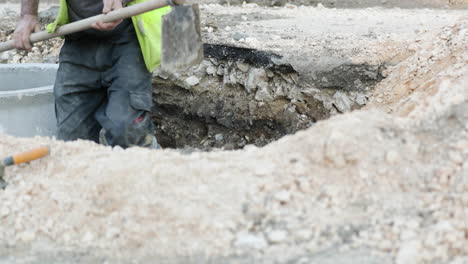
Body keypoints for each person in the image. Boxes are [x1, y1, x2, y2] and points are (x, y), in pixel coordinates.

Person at [14, 0, 169, 149]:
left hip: (129, 37)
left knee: (126, 133)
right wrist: (28, 15)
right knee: (72, 144)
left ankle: (159, 166)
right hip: (78, 38)